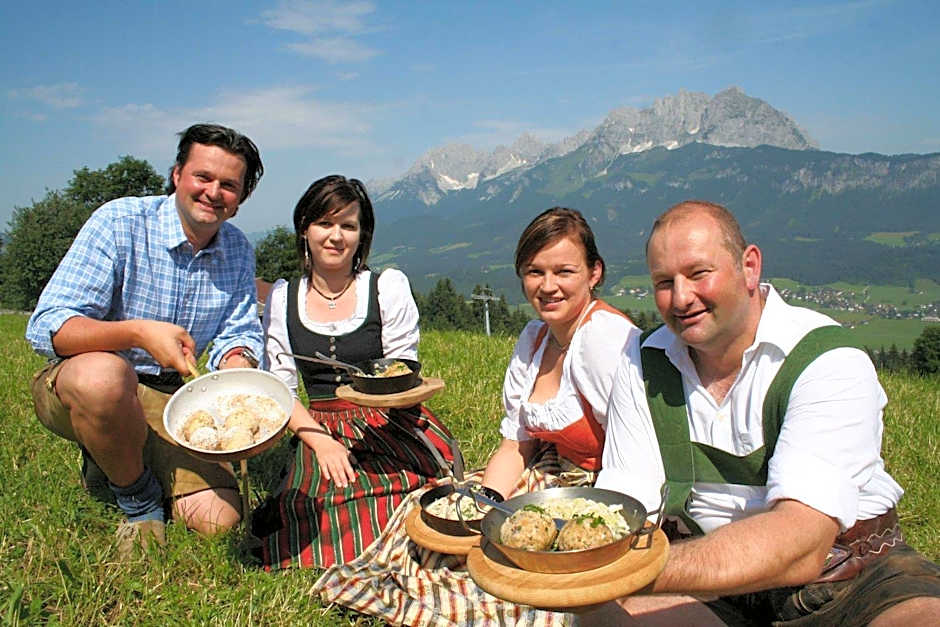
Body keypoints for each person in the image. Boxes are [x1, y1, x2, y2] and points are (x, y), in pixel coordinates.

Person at [591, 201, 940, 625]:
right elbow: (628, 506)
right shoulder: (641, 362)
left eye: (699, 274)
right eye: (664, 282)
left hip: (848, 578)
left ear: (750, 266)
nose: (681, 298)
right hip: (706, 585)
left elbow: (803, 541)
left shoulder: (827, 360)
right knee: (606, 611)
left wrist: (636, 573)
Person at [26, 123, 265, 555]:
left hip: (171, 397)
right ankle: (138, 498)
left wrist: (236, 365)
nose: (214, 192)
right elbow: (50, 326)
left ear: (241, 197)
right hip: (87, 381)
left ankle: (115, 456)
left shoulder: (238, 249)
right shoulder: (121, 221)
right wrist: (136, 332)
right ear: (177, 175)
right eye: (203, 177)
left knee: (220, 521)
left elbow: (240, 331)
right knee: (106, 376)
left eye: (229, 185)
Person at [252, 175, 457, 570]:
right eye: (324, 224)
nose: (336, 236)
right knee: (325, 503)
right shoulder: (283, 297)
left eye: (348, 225)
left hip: (389, 418)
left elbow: (401, 374)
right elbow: (280, 388)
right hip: (318, 424)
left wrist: (385, 414)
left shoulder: (386, 288)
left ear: (362, 236)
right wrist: (321, 443)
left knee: (408, 495)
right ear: (305, 229)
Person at [479, 208, 639, 501]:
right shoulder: (534, 340)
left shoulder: (602, 339)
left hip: (606, 493)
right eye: (535, 271)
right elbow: (516, 445)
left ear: (594, 273)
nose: (548, 286)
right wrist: (487, 502)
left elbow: (636, 460)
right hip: (552, 475)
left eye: (564, 271)